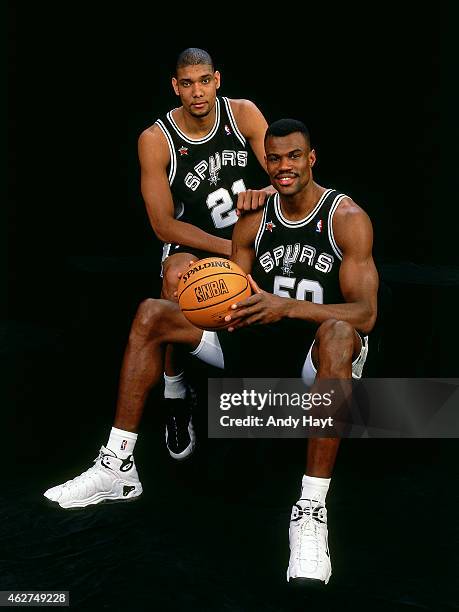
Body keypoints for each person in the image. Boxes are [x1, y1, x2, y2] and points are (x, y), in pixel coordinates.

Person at [44, 119, 378, 586]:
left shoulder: (345, 218)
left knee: (342, 334)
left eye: (294, 156)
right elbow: (236, 295)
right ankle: (118, 466)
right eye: (275, 158)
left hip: (314, 356)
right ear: (266, 161)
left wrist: (286, 307)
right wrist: (209, 299)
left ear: (311, 158)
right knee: (151, 313)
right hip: (255, 339)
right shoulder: (253, 218)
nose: (284, 167)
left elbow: (366, 314)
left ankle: (310, 510)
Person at [138, 47, 274, 460]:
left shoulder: (243, 114)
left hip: (250, 233)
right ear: (175, 87)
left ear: (217, 80)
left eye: (204, 80)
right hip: (196, 243)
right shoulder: (156, 139)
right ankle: (176, 389)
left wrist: (263, 200)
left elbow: (286, 177)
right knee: (174, 280)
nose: (197, 91)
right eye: (187, 83)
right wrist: (230, 251)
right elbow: (164, 224)